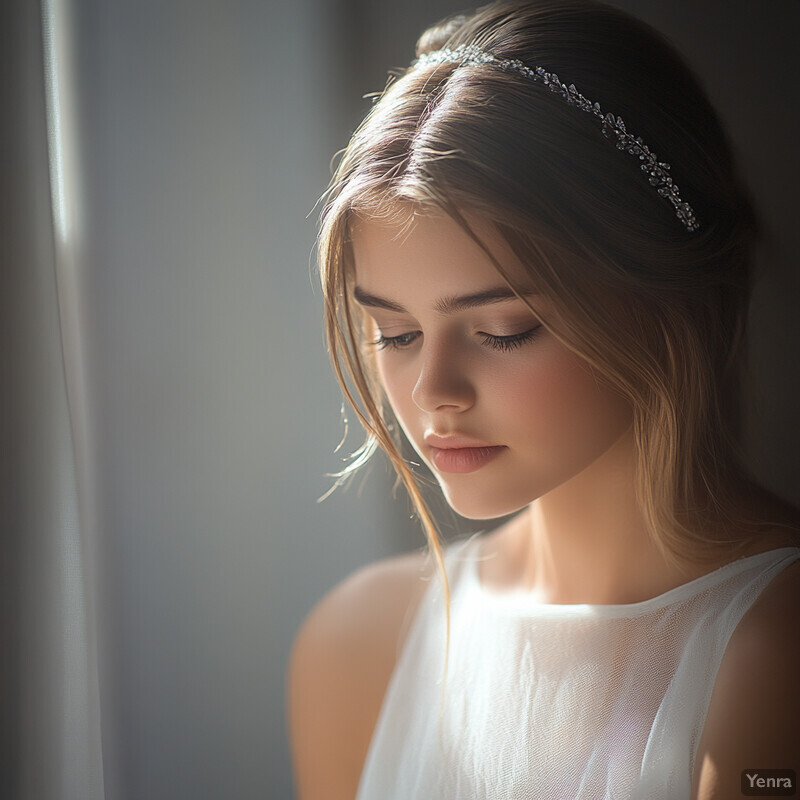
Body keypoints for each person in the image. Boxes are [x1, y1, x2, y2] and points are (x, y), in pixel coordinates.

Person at [287, 1, 800, 798]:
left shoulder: (778, 648)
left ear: (664, 299)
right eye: (394, 334)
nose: (433, 395)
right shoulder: (359, 644)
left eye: (501, 330)